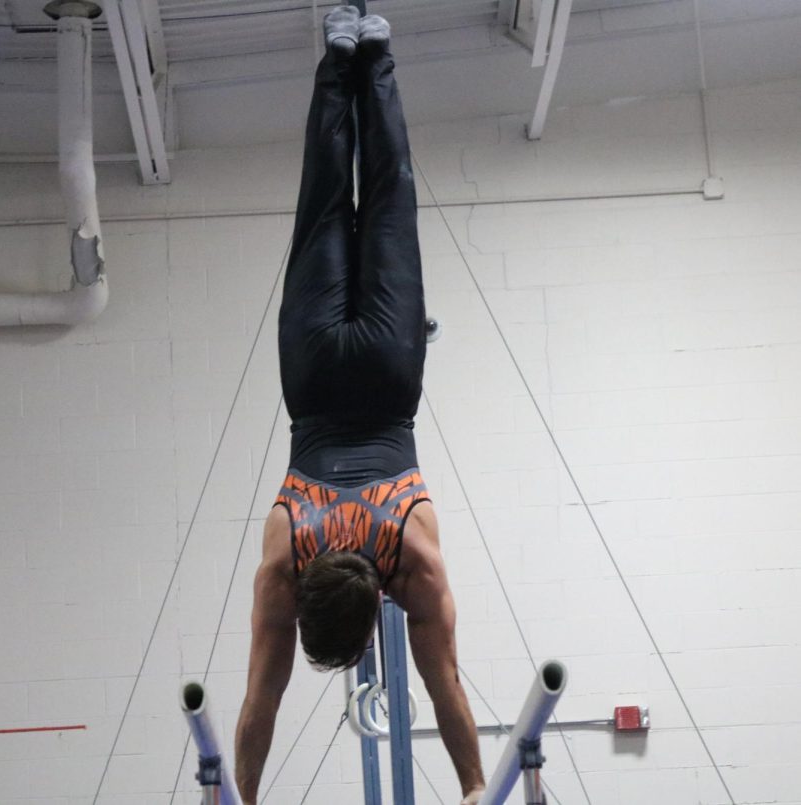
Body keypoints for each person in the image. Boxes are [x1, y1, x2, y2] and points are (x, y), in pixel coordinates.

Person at [234, 6, 485, 803]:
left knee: (388, 196)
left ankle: (374, 49)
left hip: (386, 378)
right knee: (320, 205)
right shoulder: (284, 561)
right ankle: (338, 49)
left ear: (375, 600)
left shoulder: (414, 560)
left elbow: (444, 682)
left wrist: (476, 780)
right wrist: (238, 793)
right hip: (311, 380)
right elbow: (260, 706)